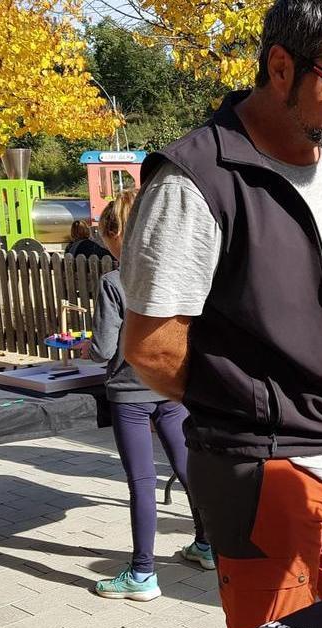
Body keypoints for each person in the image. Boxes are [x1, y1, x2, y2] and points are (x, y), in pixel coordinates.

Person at [120, 0, 322, 628]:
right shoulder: (195, 180)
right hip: (263, 471)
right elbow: (152, 346)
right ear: (280, 66)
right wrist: (264, 416)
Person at [83, 191, 213, 602]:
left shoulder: (113, 282)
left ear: (114, 233)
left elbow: (104, 349)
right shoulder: (175, 274)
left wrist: (84, 346)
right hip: (170, 386)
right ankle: (208, 545)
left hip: (129, 394)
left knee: (141, 483)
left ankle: (142, 573)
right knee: (188, 468)